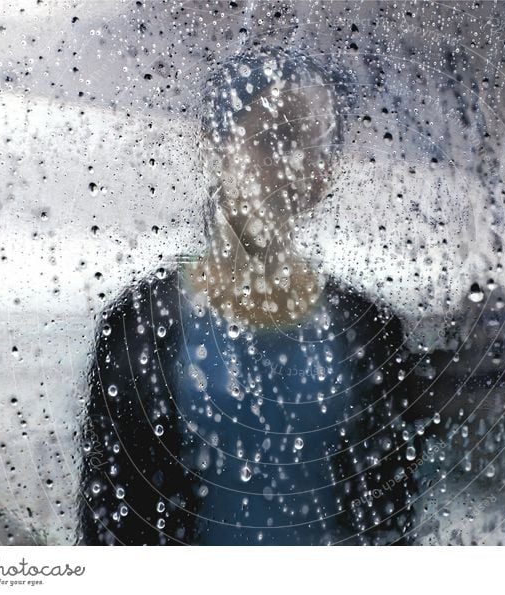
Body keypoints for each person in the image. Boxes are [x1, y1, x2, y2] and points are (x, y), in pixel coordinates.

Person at [79, 48, 418, 545]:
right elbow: (110, 521)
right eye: (274, 138)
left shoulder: (372, 328)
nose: (297, 165)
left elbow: (393, 518)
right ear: (216, 148)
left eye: (319, 146)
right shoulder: (139, 325)